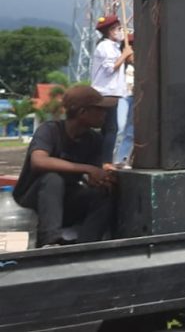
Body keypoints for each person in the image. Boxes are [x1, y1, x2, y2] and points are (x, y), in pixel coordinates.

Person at [13, 85, 117, 246]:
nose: (105, 114)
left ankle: (87, 246)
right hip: (33, 199)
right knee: (53, 179)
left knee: (103, 195)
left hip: (66, 200)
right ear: (83, 112)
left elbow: (90, 175)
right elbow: (38, 161)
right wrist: (86, 168)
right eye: (100, 109)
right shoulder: (50, 131)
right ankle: (50, 241)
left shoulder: (94, 140)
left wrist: (100, 179)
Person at [90, 15, 131, 166]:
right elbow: (110, 69)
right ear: (110, 31)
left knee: (108, 128)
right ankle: (105, 161)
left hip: (111, 93)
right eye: (119, 29)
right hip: (106, 93)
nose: (121, 32)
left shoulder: (113, 46)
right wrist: (124, 55)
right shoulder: (106, 46)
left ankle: (102, 160)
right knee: (111, 129)